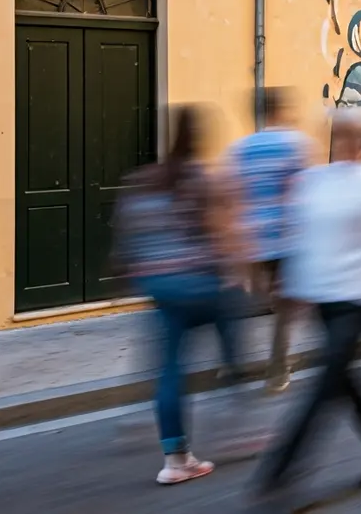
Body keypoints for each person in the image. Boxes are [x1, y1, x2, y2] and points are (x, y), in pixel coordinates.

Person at [256, 106, 361, 494]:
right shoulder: (315, 181)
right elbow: (302, 235)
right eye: (338, 134)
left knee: (325, 381)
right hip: (325, 294)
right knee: (343, 375)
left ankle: (280, 475)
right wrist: (293, 288)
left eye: (350, 134)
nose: (343, 141)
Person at [111, 105, 247, 484]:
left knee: (168, 369)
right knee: (232, 315)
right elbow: (218, 231)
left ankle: (175, 459)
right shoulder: (199, 179)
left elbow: (125, 237)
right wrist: (235, 269)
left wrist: (127, 278)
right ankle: (236, 400)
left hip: (159, 288)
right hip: (199, 284)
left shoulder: (141, 181)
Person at [225, 87, 312, 393]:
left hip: (251, 240)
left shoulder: (240, 149)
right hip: (284, 239)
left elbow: (232, 197)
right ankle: (277, 371)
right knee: (285, 309)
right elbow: (301, 192)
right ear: (278, 111)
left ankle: (233, 362)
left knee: (246, 303)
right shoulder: (294, 144)